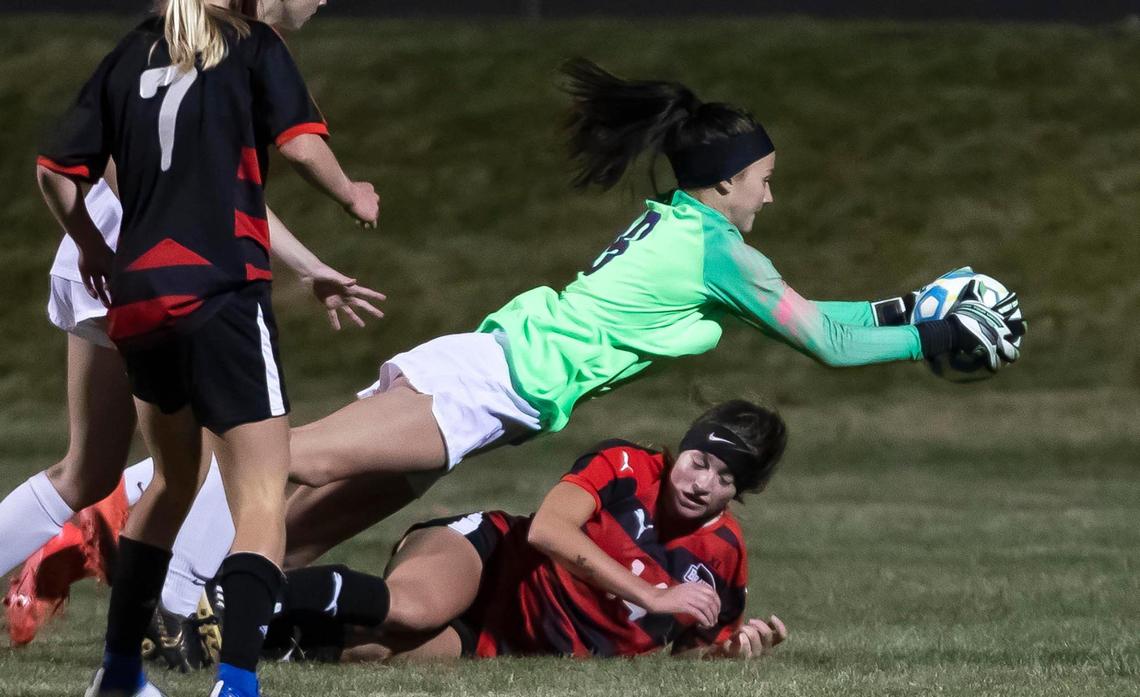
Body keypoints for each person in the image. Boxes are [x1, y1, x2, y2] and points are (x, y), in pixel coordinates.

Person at [0, 0, 382, 651]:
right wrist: (347, 196)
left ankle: (160, 623)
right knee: (239, 463)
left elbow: (221, 181)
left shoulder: (154, 50)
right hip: (172, 266)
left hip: (120, 270)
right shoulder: (241, 48)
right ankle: (184, 618)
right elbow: (164, 176)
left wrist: (307, 264)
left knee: (94, 470)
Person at [267, 400, 789, 662]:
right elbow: (548, 530)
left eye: (725, 479)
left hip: (506, 639)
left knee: (372, 654)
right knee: (412, 608)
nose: (703, 483)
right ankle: (242, 593)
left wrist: (727, 651)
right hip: (488, 557)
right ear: (685, 446)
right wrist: (653, 595)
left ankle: (252, 638)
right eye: (699, 461)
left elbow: (691, 651)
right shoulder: (626, 465)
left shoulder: (723, 552)